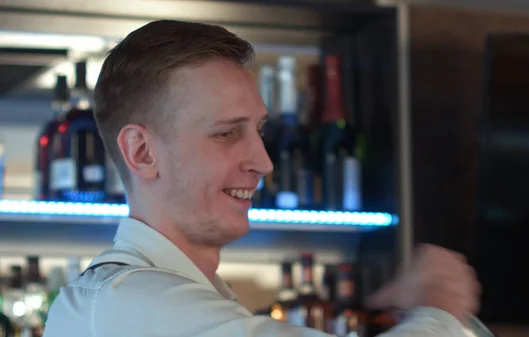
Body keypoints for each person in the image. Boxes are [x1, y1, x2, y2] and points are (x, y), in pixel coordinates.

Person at [42, 20, 480, 337]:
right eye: (226, 133)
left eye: (260, 131)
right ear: (142, 152)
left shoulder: (191, 304)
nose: (264, 161)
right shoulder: (124, 302)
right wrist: (438, 305)